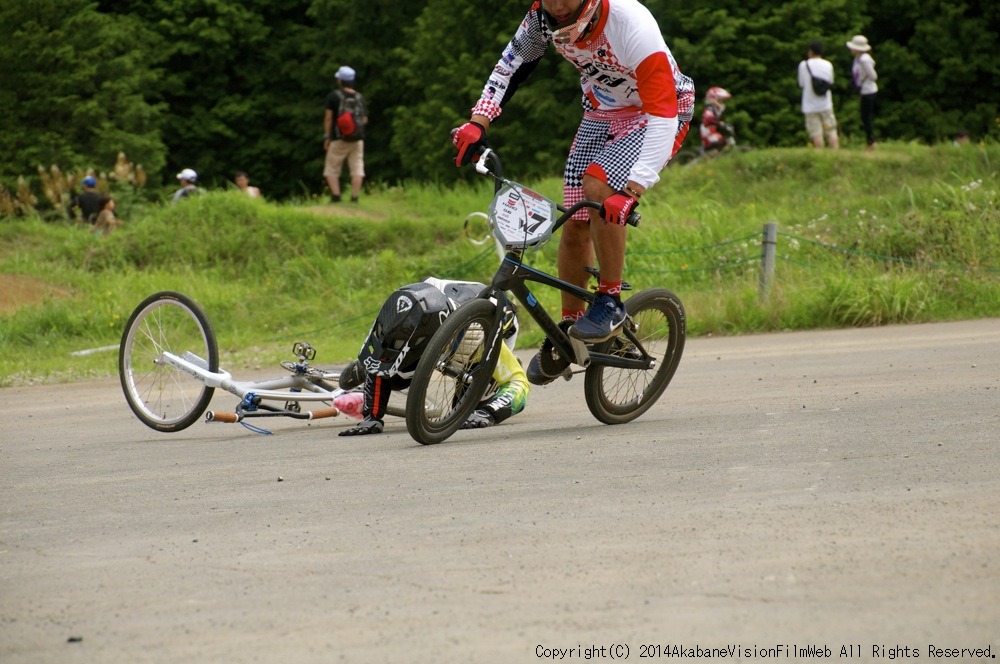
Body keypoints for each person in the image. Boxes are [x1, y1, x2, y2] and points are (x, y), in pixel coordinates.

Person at [452, 0, 695, 372]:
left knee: (598, 186)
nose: (559, 8)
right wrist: (478, 122)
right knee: (575, 219)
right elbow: (509, 67)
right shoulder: (540, 18)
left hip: (659, 112)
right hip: (600, 110)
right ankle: (568, 330)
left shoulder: (632, 25)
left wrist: (633, 190)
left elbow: (663, 114)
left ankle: (610, 301)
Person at [335, 277, 530, 436]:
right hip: (442, 309)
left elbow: (519, 383)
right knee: (392, 373)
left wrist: (488, 414)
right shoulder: (406, 300)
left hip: (478, 334)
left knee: (464, 412)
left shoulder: (478, 335)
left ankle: (493, 379)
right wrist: (372, 417)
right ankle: (368, 366)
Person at [323, 65, 367, 203]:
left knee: (332, 168)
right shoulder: (360, 97)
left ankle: (336, 196)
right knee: (357, 168)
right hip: (358, 139)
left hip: (339, 138)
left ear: (340, 81)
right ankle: (355, 197)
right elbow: (364, 119)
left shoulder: (333, 96)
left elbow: (329, 118)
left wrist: (327, 136)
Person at [798, 40, 839, 149]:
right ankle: (836, 153)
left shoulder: (803, 65)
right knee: (831, 130)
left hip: (810, 105)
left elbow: (801, 84)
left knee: (816, 133)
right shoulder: (828, 65)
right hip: (826, 104)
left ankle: (820, 155)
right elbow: (831, 82)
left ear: (810, 51)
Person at [846, 35, 878, 150]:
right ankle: (870, 140)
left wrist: (862, 81)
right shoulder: (858, 58)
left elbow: (873, 76)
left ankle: (871, 141)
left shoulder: (864, 59)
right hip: (864, 90)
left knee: (866, 116)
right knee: (864, 116)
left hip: (868, 90)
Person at [700, 87, 734, 153]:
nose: (722, 103)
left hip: (711, 131)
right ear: (714, 99)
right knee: (721, 142)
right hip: (708, 132)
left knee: (723, 143)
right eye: (720, 100)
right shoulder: (709, 109)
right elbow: (709, 119)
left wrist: (723, 125)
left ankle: (715, 156)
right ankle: (710, 158)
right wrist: (720, 124)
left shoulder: (715, 110)